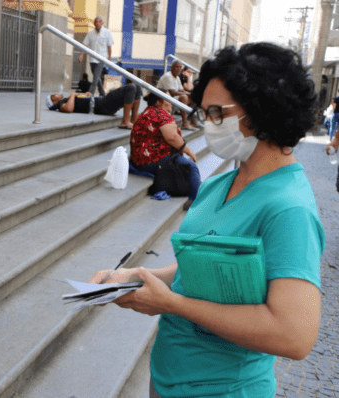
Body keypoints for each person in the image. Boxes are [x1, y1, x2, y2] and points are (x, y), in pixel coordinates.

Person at [89, 42, 324, 398]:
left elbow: (294, 335)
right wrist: (137, 277)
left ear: (263, 110)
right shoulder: (219, 184)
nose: (208, 125)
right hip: (170, 379)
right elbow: (201, 268)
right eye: (204, 113)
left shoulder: (288, 209)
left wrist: (171, 304)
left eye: (217, 113)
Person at [128, 92, 200, 208]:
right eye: (168, 99)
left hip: (139, 161)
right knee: (191, 167)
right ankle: (196, 202)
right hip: (152, 160)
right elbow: (172, 138)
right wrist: (188, 151)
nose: (171, 101)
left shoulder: (145, 113)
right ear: (158, 102)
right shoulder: (161, 114)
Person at [47, 83, 142, 129]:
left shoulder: (66, 99)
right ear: (53, 101)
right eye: (55, 95)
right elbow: (68, 109)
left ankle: (133, 121)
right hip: (101, 105)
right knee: (131, 88)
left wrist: (86, 95)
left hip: (100, 102)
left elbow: (78, 101)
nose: (58, 94)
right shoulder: (60, 105)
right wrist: (72, 95)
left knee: (137, 87)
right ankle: (125, 122)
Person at [78, 16, 114, 96]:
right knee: (96, 77)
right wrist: (81, 55)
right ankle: (102, 93)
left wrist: (109, 59)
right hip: (92, 59)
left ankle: (91, 93)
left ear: (102, 23)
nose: (97, 23)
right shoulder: (90, 33)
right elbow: (84, 45)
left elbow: (109, 46)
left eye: (99, 22)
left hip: (102, 59)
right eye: (96, 22)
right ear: (94, 23)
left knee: (96, 77)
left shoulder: (107, 32)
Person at [157, 61, 196, 129]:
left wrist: (188, 94)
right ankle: (185, 123)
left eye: (180, 67)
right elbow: (172, 93)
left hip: (172, 99)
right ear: (172, 68)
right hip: (163, 100)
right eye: (176, 66)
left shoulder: (177, 77)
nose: (178, 69)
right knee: (184, 97)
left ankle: (193, 121)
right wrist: (183, 93)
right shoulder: (168, 76)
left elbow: (181, 90)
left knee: (193, 97)